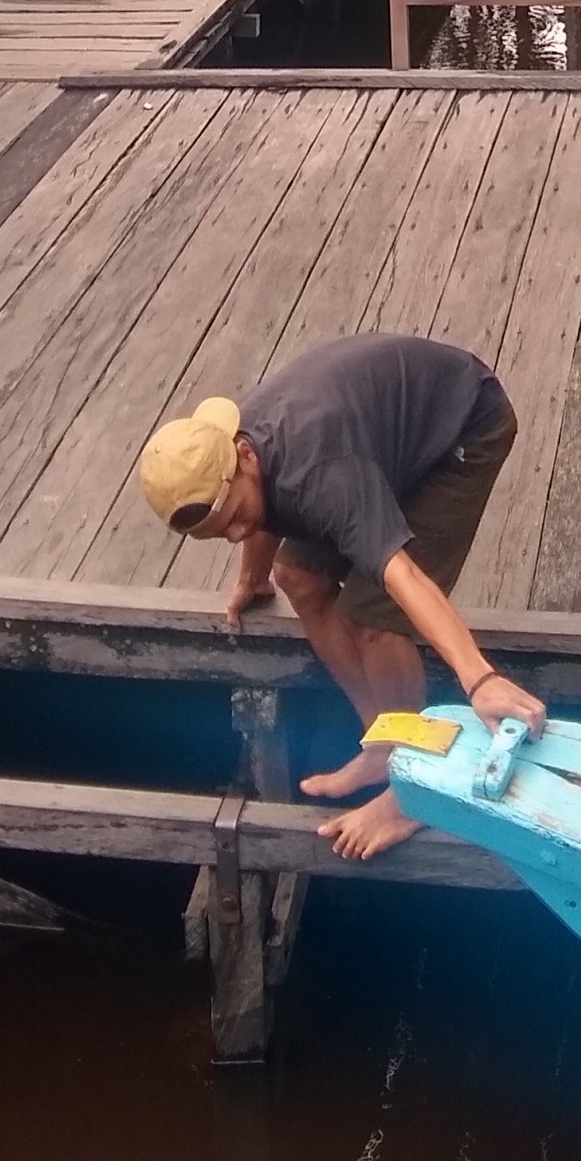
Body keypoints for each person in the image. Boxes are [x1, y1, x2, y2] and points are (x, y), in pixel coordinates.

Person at [136, 331, 545, 859]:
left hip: (462, 425)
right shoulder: (241, 455)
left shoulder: (317, 475)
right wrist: (251, 580)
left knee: (375, 616)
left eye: (234, 516)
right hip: (372, 441)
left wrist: (480, 679)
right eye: (219, 534)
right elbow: (258, 517)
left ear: (245, 455)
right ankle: (383, 741)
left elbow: (404, 578)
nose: (236, 534)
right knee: (298, 578)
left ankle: (414, 788)